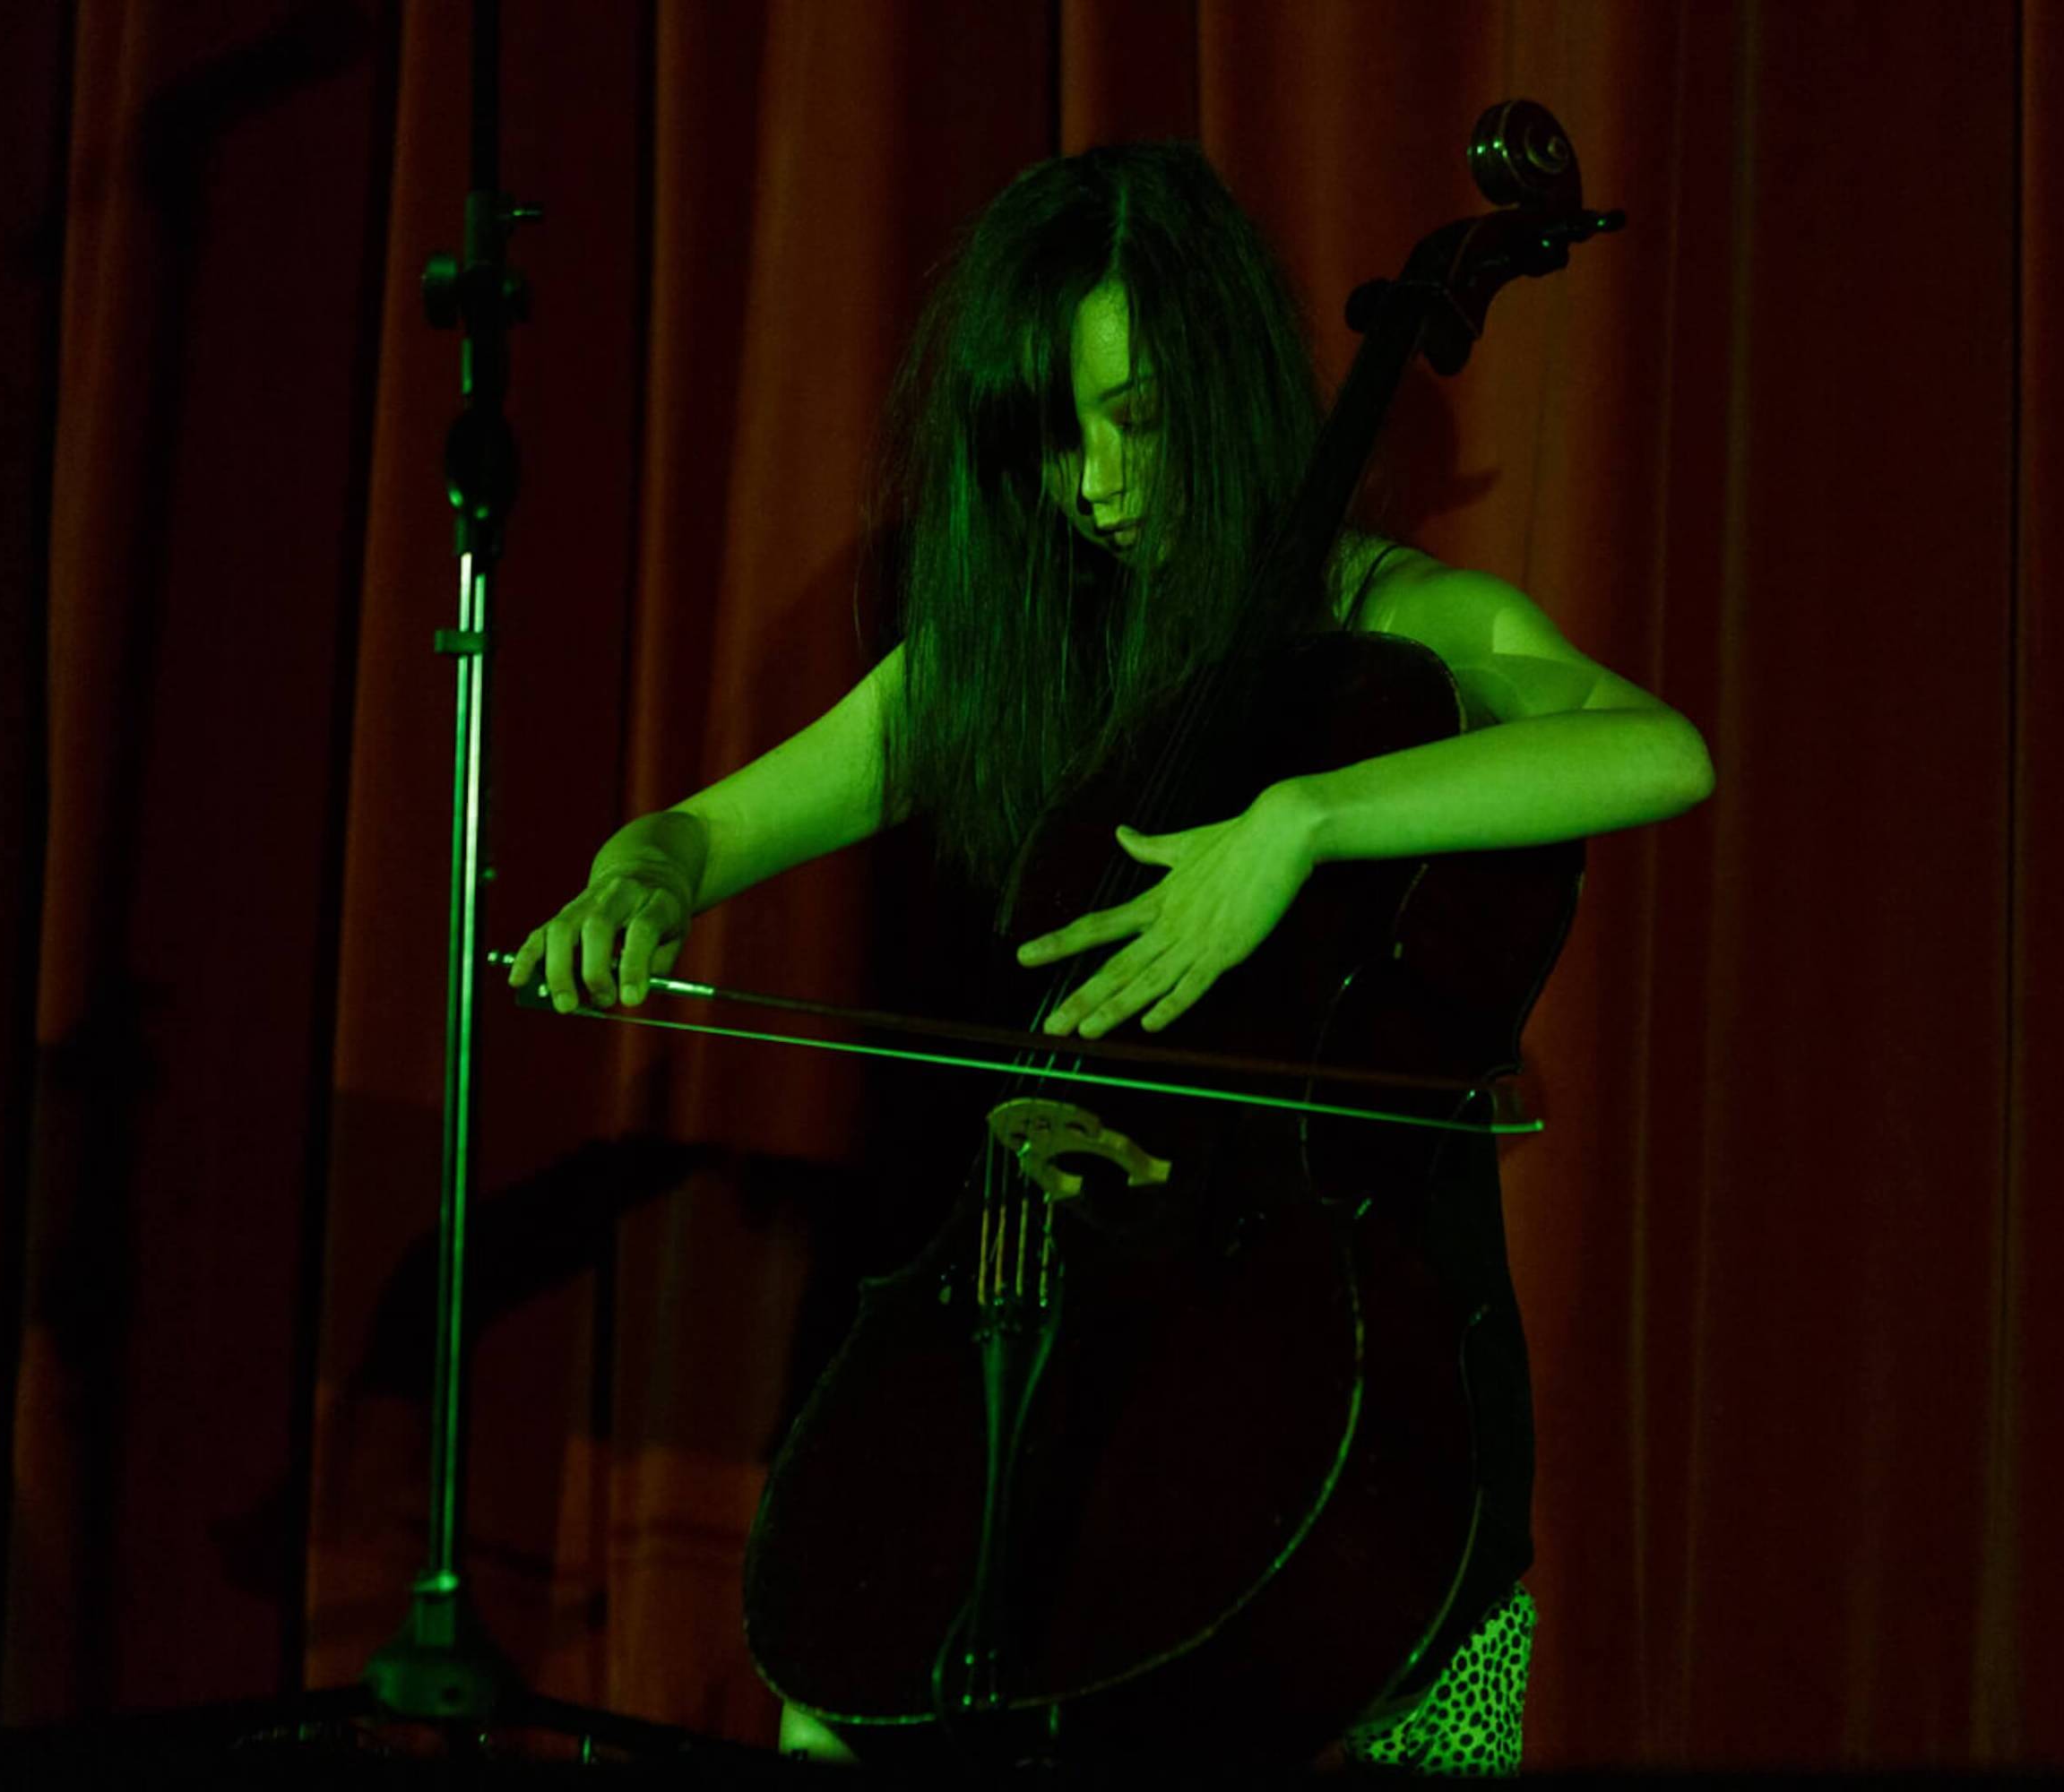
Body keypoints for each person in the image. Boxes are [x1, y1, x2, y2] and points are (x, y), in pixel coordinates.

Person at [508, 141, 1714, 1775]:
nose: (1094, 482)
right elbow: (702, 834)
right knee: (842, 1701)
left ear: (1223, 380)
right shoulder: (1019, 651)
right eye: (1052, 435)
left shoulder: (1400, 617)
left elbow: (1655, 752)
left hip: (1347, 1383)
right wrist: (636, 880)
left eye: (1135, 417)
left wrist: (1296, 824)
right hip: (1058, 1309)